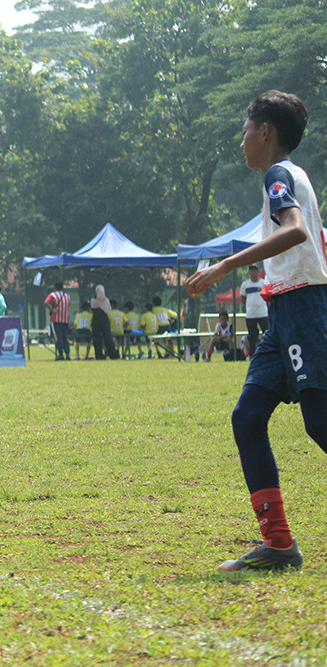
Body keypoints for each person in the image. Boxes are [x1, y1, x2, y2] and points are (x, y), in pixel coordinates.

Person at [186, 90, 327, 571]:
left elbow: (296, 231)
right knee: (247, 418)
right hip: (284, 310)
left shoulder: (278, 175)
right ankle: (280, 545)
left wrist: (224, 264)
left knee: (320, 423)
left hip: (304, 307)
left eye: (245, 131)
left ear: (265, 132)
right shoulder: (290, 176)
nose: (241, 141)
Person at [241, 264, 270, 357]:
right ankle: (252, 354)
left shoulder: (263, 283)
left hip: (262, 313)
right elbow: (243, 298)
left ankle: (268, 352)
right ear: (249, 272)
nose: (253, 272)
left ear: (258, 272)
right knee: (252, 336)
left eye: (254, 270)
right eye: (251, 270)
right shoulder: (245, 285)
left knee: (266, 333)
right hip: (251, 314)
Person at [90, 285, 117, 360]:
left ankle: (99, 354)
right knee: (107, 337)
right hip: (104, 319)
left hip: (95, 320)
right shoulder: (106, 300)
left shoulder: (93, 300)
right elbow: (108, 311)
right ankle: (112, 354)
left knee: (97, 338)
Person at [45, 282, 71, 361]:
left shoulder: (53, 295)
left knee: (58, 337)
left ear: (55, 288)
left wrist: (52, 309)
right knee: (65, 337)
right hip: (65, 320)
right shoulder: (67, 296)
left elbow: (46, 303)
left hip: (56, 320)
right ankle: (67, 354)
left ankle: (60, 355)